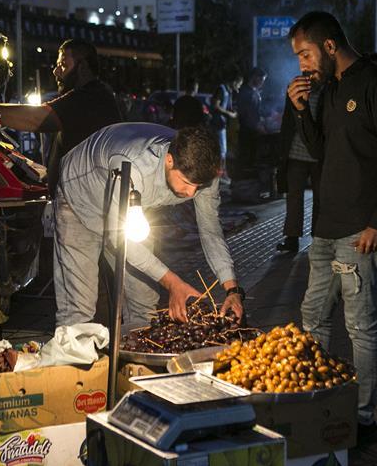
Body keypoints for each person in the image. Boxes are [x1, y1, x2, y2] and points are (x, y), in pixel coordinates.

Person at [286, 11, 377, 445]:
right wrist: (302, 111)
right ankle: (321, 403)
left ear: (330, 45)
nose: (302, 65)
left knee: (361, 325)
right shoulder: (330, 89)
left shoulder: (375, 84)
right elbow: (322, 152)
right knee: (313, 316)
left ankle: (362, 418)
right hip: (324, 228)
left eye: (305, 53)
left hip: (361, 231)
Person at [53, 123, 244, 327]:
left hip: (130, 208)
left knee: (145, 308)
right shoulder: (133, 167)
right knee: (78, 310)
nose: (191, 193)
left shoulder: (203, 175)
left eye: (198, 187)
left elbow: (211, 231)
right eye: (186, 183)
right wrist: (173, 283)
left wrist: (232, 289)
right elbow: (118, 238)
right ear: (170, 161)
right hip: (80, 199)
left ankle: (132, 355)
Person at [0, 39, 121, 194]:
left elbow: (36, 118)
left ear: (83, 66)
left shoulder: (89, 97)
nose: (56, 71)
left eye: (63, 65)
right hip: (83, 198)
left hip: (86, 203)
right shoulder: (99, 94)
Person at [275, 69, 324, 253]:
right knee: (294, 196)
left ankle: (318, 237)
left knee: (320, 196)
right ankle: (292, 237)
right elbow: (288, 120)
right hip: (296, 152)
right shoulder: (295, 88)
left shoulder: (325, 92)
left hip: (318, 152)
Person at [211, 69, 241, 181]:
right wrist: (229, 113)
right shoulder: (222, 89)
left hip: (222, 124)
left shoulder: (229, 91)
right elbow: (216, 105)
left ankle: (220, 173)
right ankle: (220, 174)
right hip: (217, 124)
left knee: (222, 150)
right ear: (234, 81)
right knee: (222, 150)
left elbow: (227, 106)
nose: (239, 86)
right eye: (239, 83)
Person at [237, 67, 268, 173]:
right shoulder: (246, 92)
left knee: (251, 157)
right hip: (247, 131)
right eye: (261, 80)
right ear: (254, 77)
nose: (262, 83)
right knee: (246, 158)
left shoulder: (255, 92)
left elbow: (256, 111)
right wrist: (257, 126)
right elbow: (246, 115)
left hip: (252, 130)